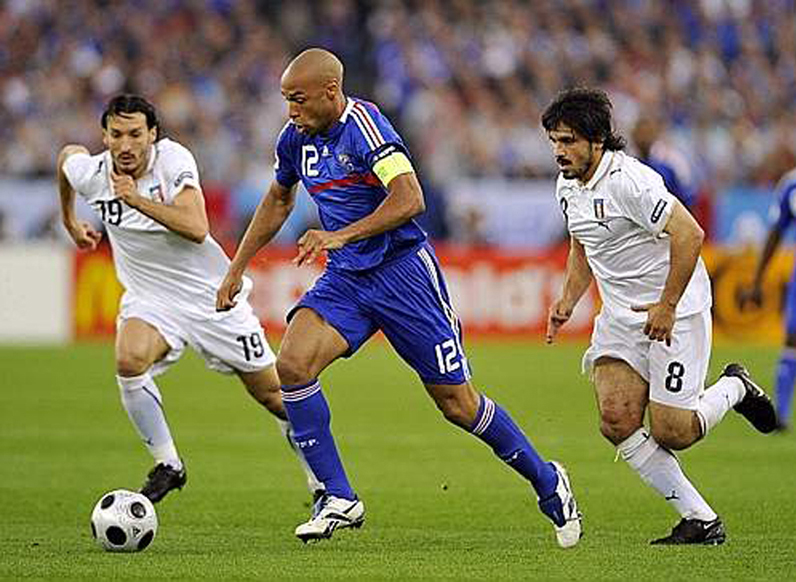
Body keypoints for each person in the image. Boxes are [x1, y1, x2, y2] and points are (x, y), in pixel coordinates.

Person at [216, 48, 582, 547]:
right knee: (293, 366)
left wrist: (341, 235)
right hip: (348, 277)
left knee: (457, 404)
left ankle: (547, 480)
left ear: (330, 92)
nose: (290, 111)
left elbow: (411, 199)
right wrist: (237, 266)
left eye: (298, 100)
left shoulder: (365, 125)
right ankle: (338, 495)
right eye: (285, 101)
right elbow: (279, 199)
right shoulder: (294, 140)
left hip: (403, 274)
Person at [57, 94, 321, 504]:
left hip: (210, 300)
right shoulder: (92, 173)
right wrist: (70, 219)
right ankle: (168, 465)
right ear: (104, 137)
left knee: (276, 396)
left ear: (153, 135)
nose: (126, 145)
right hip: (151, 299)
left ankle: (320, 481)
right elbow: (66, 158)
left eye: (135, 134)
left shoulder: (172, 161)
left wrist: (136, 200)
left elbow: (197, 227)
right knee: (128, 360)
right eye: (116, 135)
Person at [541, 87, 777, 545]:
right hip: (621, 316)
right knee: (616, 419)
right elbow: (581, 244)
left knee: (674, 431)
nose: (559, 152)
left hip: (676, 310)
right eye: (554, 141)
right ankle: (700, 519)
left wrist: (668, 305)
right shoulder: (567, 186)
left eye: (568, 141)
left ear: (596, 140)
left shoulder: (631, 181)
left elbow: (689, 234)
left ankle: (734, 387)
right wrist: (568, 299)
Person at [740, 165, 796, 431]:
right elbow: (776, 233)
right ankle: (782, 415)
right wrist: (757, 280)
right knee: (793, 336)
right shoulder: (792, 184)